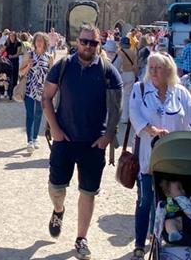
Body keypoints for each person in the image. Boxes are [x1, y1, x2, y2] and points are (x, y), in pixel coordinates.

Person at [42, 24, 123, 260]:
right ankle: (59, 210)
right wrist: (55, 128)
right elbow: (46, 97)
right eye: (85, 41)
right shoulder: (63, 65)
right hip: (64, 139)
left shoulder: (108, 71)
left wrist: (108, 136)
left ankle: (81, 238)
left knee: (88, 191)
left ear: (99, 44)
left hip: (92, 143)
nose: (88, 46)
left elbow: (116, 108)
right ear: (78, 41)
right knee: (56, 187)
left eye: (93, 42)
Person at [129, 52, 191, 260]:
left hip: (175, 158)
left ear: (168, 70)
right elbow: (134, 114)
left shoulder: (180, 92)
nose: (153, 71)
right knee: (145, 200)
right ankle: (139, 244)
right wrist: (152, 130)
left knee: (169, 201)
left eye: (158, 67)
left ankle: (164, 240)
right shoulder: (140, 89)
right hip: (150, 156)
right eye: (151, 67)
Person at [19, 32, 52, 153]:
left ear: (45, 43)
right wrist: (28, 66)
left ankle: (35, 137)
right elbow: (20, 72)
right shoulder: (29, 55)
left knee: (38, 114)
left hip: (42, 90)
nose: (38, 42)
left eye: (41, 40)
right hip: (29, 89)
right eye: (37, 40)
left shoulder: (49, 57)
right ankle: (29, 141)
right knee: (30, 114)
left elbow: (51, 76)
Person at [118, 37, 140, 127]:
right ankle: (125, 117)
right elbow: (136, 65)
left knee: (119, 95)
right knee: (128, 96)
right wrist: (136, 75)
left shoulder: (119, 52)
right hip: (130, 73)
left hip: (122, 73)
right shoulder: (133, 52)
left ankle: (120, 114)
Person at [4, 31, 23, 101]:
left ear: (15, 37)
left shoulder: (18, 43)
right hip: (8, 62)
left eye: (13, 36)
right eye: (10, 36)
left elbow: (18, 54)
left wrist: (12, 56)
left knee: (14, 78)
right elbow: (4, 50)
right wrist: (1, 55)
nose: (11, 37)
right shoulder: (7, 43)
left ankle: (14, 93)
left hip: (15, 61)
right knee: (8, 77)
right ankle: (8, 92)